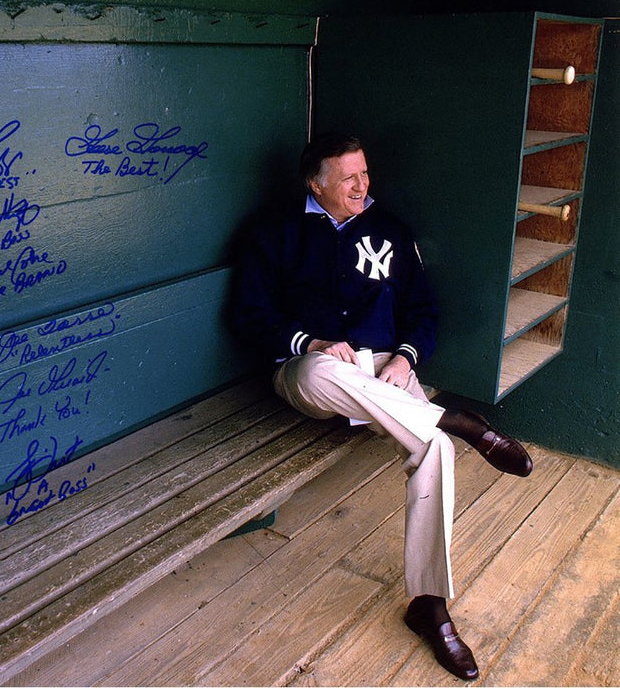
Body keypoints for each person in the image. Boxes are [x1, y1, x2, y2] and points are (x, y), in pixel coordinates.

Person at [228, 132, 533, 681]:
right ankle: (455, 418)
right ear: (314, 182)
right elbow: (248, 312)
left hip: (385, 373)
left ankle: (429, 605)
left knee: (435, 447)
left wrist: (407, 359)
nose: (362, 185)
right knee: (330, 373)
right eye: (348, 177)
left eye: (364, 173)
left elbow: (424, 310)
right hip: (312, 372)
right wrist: (310, 342)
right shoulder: (276, 232)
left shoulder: (389, 228)